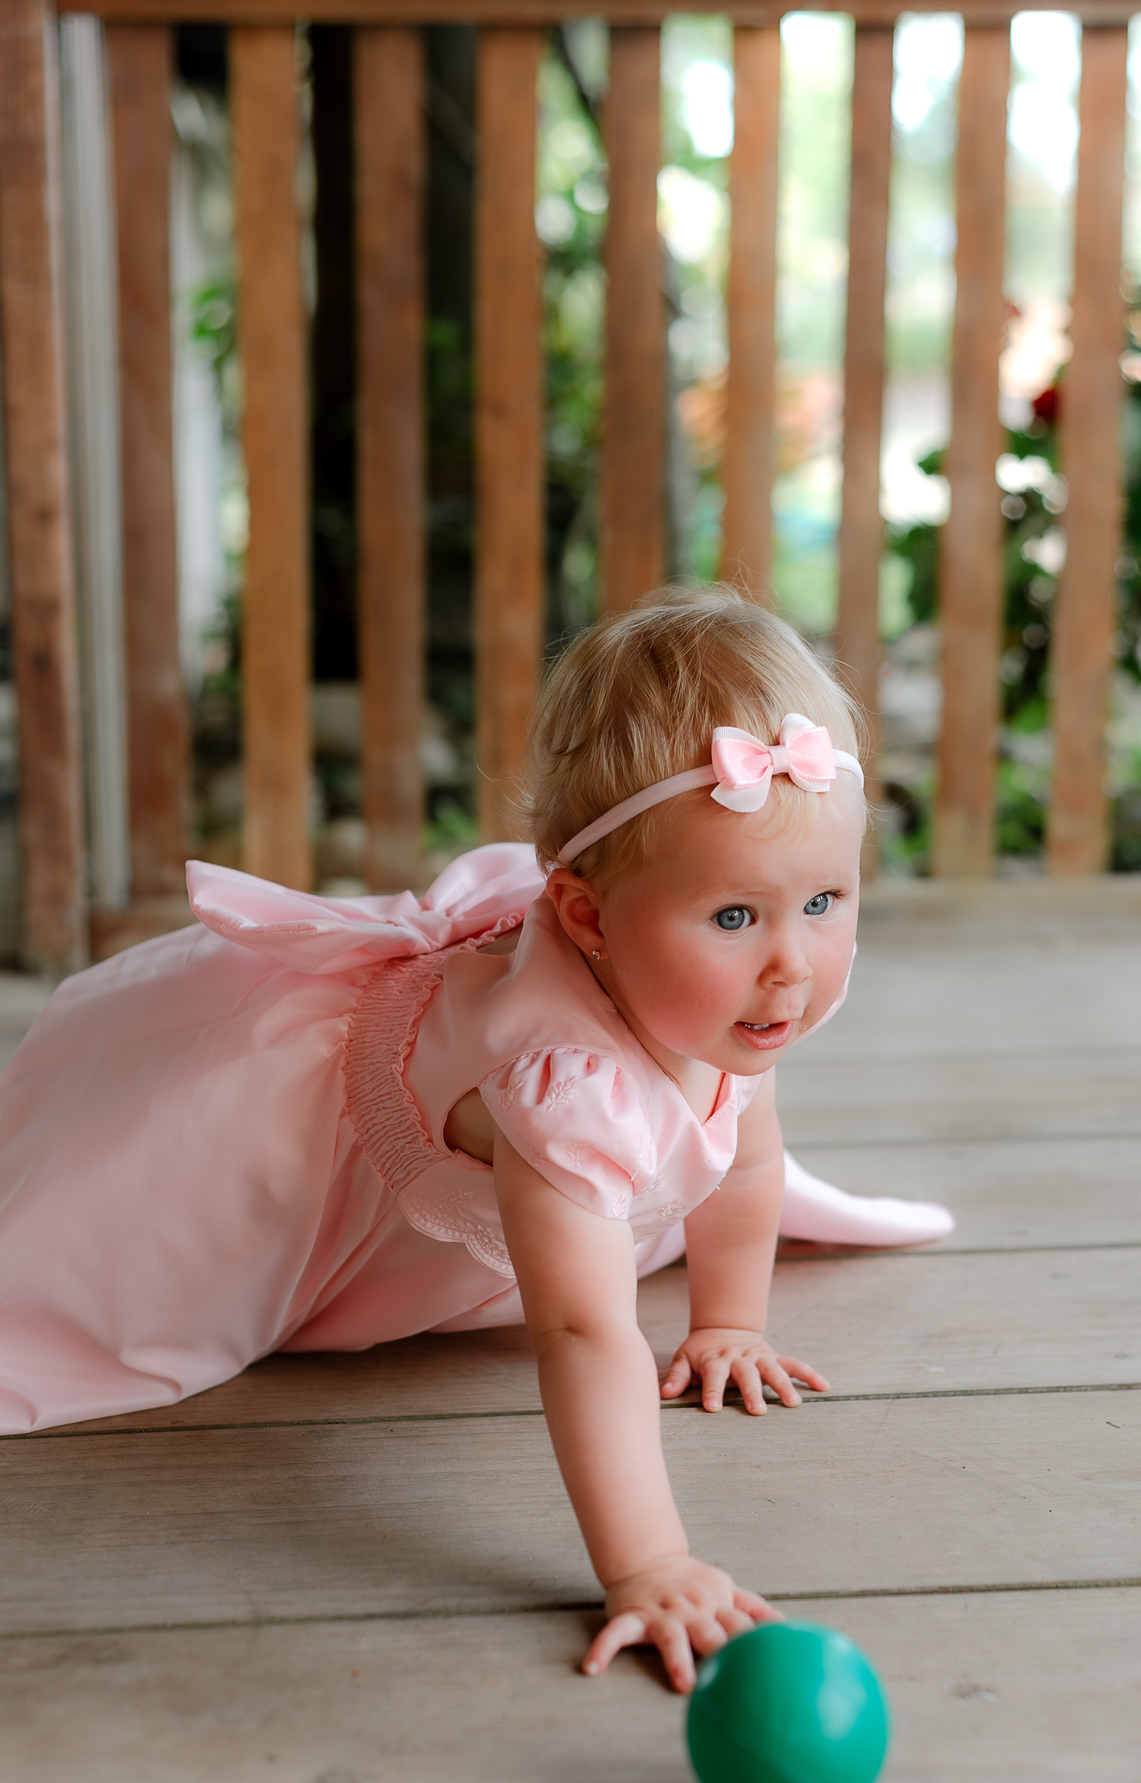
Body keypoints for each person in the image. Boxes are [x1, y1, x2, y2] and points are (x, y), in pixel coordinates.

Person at [0, 592, 951, 1688]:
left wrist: (727, 1323)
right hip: (299, 1153)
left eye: (825, 901)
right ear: (588, 919)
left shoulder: (734, 1001)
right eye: (735, 917)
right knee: (116, 1251)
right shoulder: (568, 1092)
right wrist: (648, 1564)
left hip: (535, 1125)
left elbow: (748, 1157)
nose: (792, 964)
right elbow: (584, 1333)